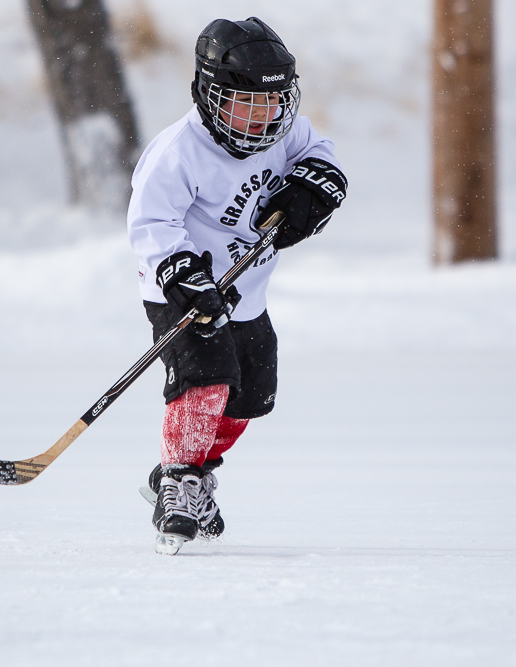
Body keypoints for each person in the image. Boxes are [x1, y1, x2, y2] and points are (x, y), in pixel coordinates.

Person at [127, 17, 347, 555]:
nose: (261, 117)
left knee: (249, 396)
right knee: (206, 379)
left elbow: (322, 155)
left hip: (246, 291)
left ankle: (195, 472)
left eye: (273, 103)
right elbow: (151, 224)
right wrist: (181, 272)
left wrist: (314, 187)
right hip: (186, 291)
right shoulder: (178, 151)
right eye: (244, 103)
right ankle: (178, 481)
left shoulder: (283, 130)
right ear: (209, 94)